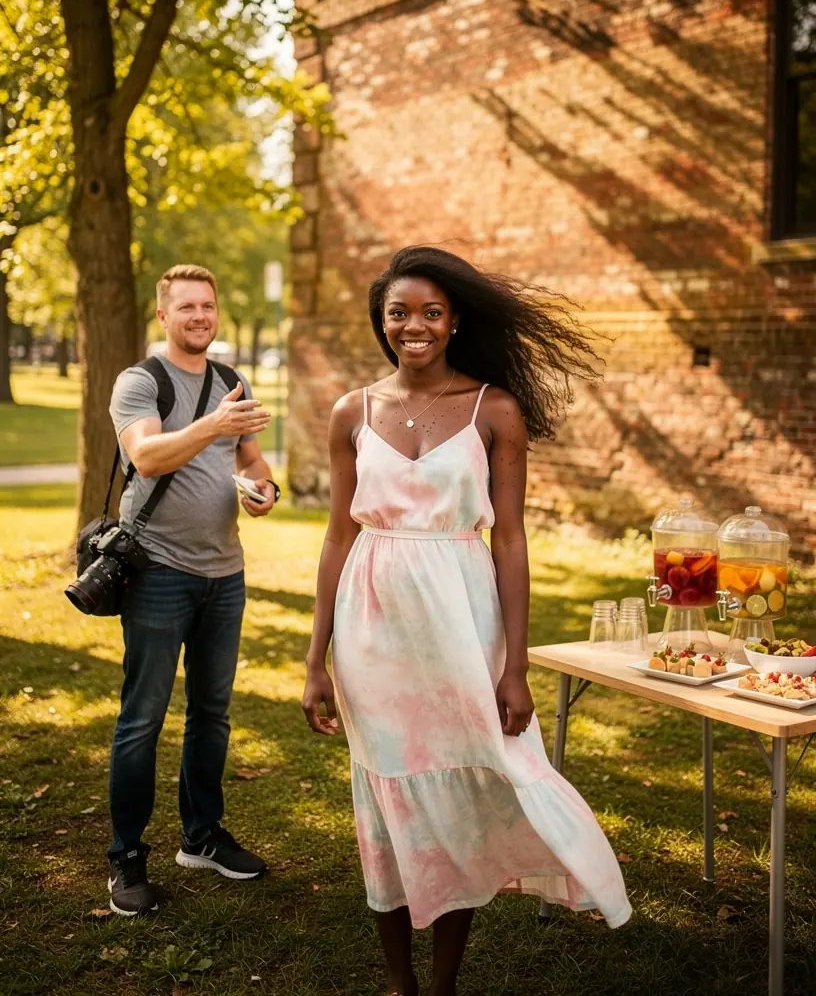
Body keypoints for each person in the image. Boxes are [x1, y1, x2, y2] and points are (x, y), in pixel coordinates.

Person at [301, 246, 631, 996]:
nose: (413, 325)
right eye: (399, 313)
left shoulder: (495, 410)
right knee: (384, 794)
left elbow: (510, 539)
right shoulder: (351, 411)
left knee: (471, 782)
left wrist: (514, 665)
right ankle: (399, 981)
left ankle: (443, 980)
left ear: (453, 323)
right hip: (372, 629)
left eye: (430, 313)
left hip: (462, 621)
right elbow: (336, 536)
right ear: (381, 323)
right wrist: (316, 658)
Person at [106, 264, 278, 916]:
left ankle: (201, 837)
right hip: (157, 572)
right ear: (164, 316)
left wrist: (265, 488)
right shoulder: (140, 382)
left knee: (212, 715)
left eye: (207, 306)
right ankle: (126, 859)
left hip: (224, 575)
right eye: (187, 307)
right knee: (141, 721)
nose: (199, 316)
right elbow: (146, 457)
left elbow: (249, 458)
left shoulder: (231, 380)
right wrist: (213, 424)